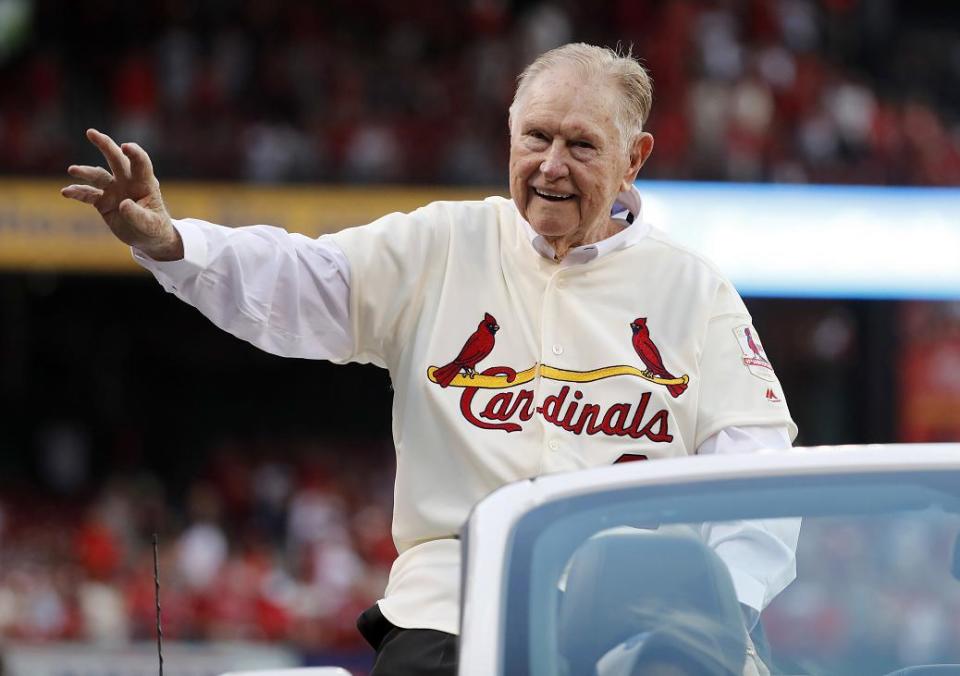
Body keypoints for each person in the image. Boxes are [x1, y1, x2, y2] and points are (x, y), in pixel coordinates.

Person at [63, 43, 797, 676]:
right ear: (508, 137)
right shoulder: (444, 243)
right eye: (535, 138)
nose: (550, 167)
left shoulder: (694, 290)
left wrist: (714, 618)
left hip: (633, 620)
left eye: (581, 146)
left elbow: (759, 472)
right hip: (453, 606)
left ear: (634, 157)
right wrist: (174, 243)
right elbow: (300, 277)